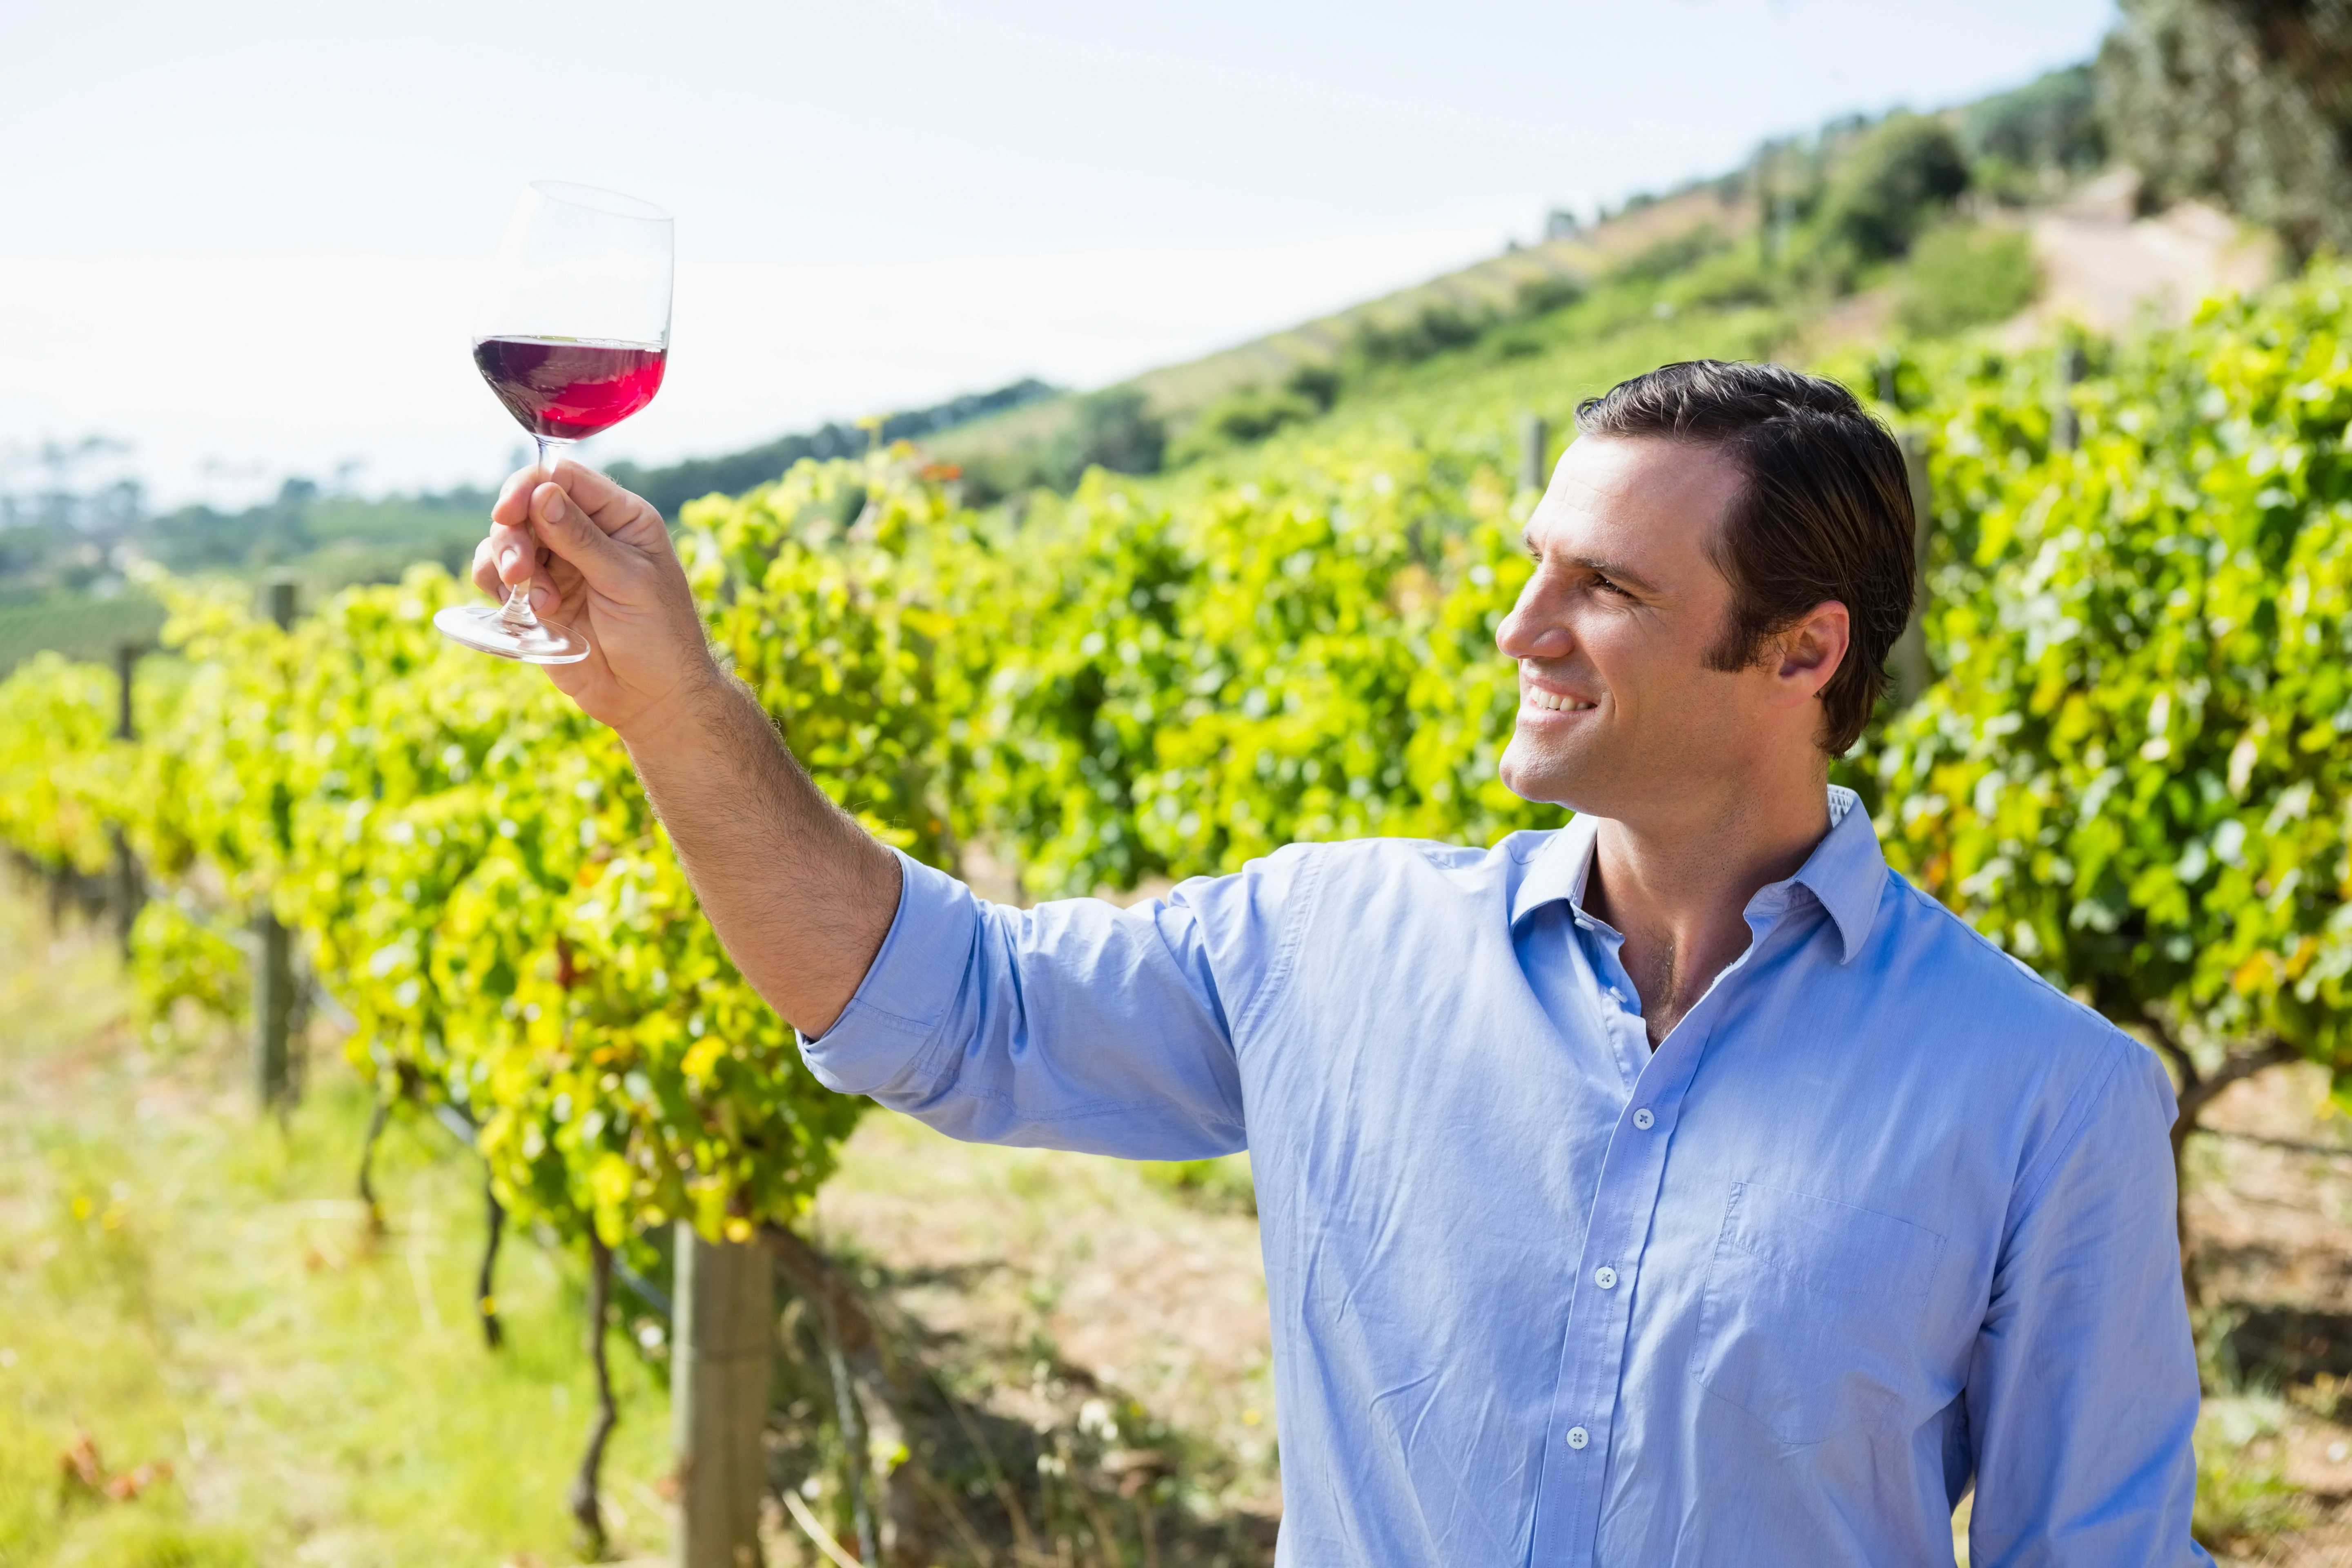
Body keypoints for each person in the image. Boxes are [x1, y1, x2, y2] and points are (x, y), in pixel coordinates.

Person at [472, 359, 2208, 1566]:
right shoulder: (1328, 946)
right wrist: (671, 705)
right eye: (1535, 564)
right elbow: (924, 1005)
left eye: (1604, 586)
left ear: (1803, 650)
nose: (1521, 629)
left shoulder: (2048, 1097)